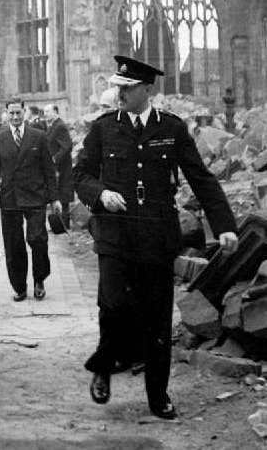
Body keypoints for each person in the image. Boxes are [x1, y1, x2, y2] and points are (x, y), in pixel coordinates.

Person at [73, 56, 239, 420]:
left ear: (147, 90)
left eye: (128, 88)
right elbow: (80, 174)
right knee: (113, 304)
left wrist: (225, 225)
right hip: (115, 236)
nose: (121, 94)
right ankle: (104, 367)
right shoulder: (103, 128)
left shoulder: (172, 128)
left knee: (157, 315)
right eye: (118, 87)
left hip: (155, 236)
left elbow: (201, 178)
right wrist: (100, 195)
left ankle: (158, 394)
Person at [0, 98, 61, 301]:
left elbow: (49, 169)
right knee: (13, 244)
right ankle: (19, 286)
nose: (15, 117)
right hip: (10, 199)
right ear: (6, 113)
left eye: (18, 113)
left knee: (37, 239)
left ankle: (39, 280)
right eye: (11, 113)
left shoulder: (38, 136)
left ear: (24, 112)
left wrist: (54, 198)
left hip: (35, 197)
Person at [44, 104, 74, 229]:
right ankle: (59, 224)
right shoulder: (53, 126)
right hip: (57, 168)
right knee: (59, 194)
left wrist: (54, 159)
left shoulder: (60, 126)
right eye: (44, 111)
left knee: (63, 195)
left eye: (47, 111)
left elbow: (67, 146)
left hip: (62, 168)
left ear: (55, 112)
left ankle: (62, 224)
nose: (45, 114)